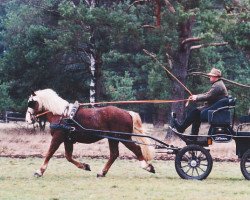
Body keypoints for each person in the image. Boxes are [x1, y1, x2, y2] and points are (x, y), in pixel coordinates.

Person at [171, 67, 229, 135]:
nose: (209, 77)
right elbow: (207, 94)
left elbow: (208, 96)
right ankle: (193, 135)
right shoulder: (218, 84)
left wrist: (197, 98)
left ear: (215, 77)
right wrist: (196, 96)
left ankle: (182, 129)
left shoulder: (217, 86)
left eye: (210, 76)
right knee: (196, 113)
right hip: (215, 108)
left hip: (215, 110)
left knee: (195, 112)